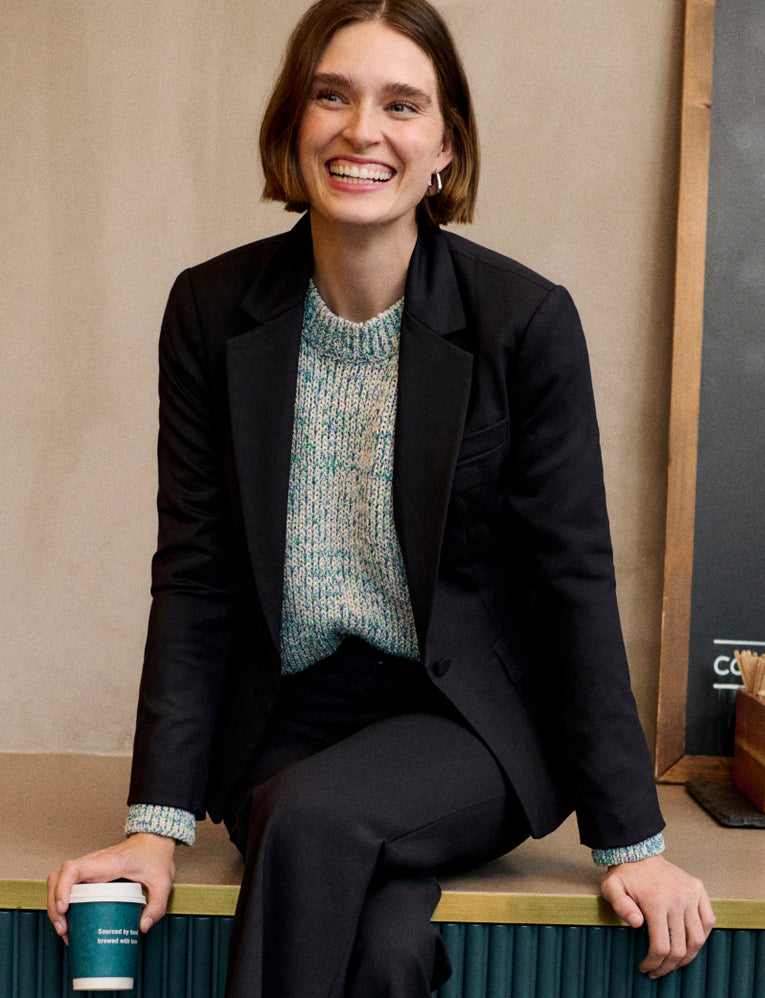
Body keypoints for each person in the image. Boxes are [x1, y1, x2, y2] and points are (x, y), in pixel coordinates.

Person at [47, 0, 715, 994]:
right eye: (332, 96)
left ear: (445, 146)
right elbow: (194, 574)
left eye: (401, 104)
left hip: (466, 723)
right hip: (283, 722)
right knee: (386, 943)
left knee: (315, 815)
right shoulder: (209, 310)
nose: (362, 129)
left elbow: (567, 580)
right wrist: (156, 828)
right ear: (292, 122)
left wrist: (631, 838)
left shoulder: (522, 322)